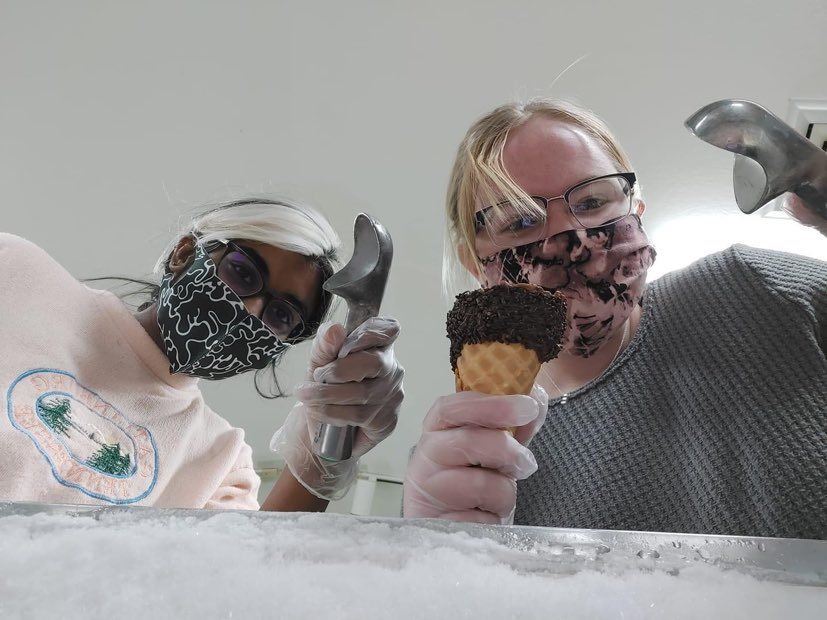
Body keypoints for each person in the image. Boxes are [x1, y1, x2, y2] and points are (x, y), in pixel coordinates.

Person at [403, 99, 826, 540]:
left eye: (591, 201)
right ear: (476, 263)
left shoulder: (757, 291)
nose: (573, 240)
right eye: (521, 221)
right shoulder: (470, 452)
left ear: (635, 209)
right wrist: (436, 552)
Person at [0, 198, 403, 511]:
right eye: (243, 273)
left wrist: (323, 454)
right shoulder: (17, 270)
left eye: (281, 315)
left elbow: (235, 582)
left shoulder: (221, 462)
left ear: (273, 350)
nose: (250, 309)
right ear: (183, 252)